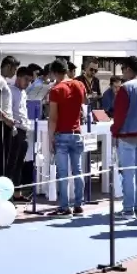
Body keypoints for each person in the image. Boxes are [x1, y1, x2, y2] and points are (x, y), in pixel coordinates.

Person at [110, 56, 137, 219]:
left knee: (128, 173)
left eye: (123, 70)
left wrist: (114, 130)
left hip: (127, 135)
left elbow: (120, 114)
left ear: (128, 69)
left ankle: (128, 208)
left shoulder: (125, 88)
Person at [46, 59, 86, 216]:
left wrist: (51, 137)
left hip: (62, 134)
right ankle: (78, 204)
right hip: (77, 133)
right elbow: (82, 107)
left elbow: (53, 117)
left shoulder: (56, 89)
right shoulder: (79, 85)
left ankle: (64, 206)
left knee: (62, 173)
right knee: (78, 170)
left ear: (55, 72)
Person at [6, 65, 34, 194]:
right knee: (12, 162)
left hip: (24, 129)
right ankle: (8, 193)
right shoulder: (10, 90)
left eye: (30, 81)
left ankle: (17, 192)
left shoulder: (23, 93)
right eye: (26, 79)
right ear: (18, 77)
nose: (28, 83)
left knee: (20, 163)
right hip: (15, 129)